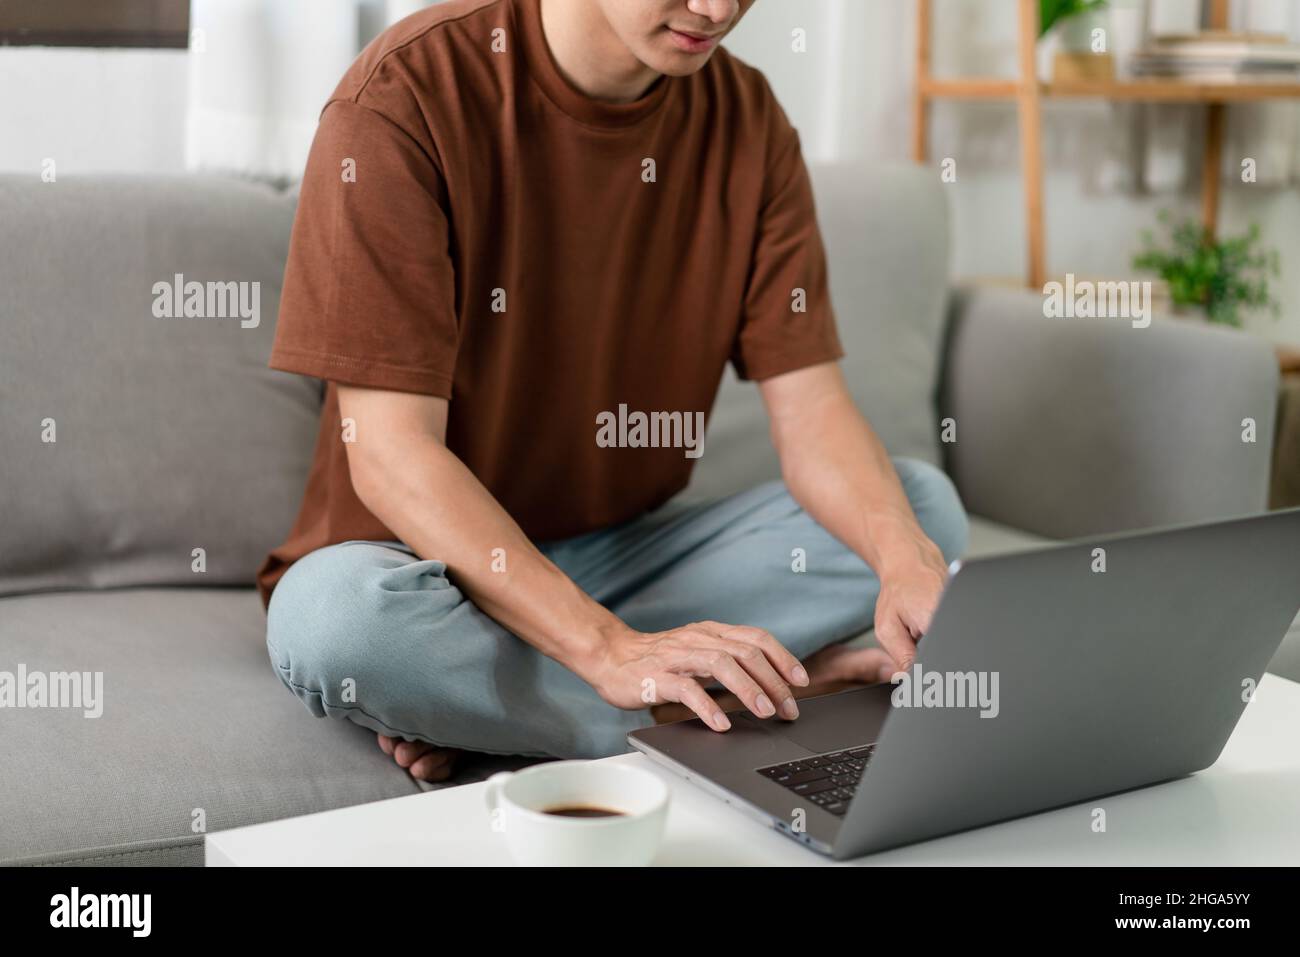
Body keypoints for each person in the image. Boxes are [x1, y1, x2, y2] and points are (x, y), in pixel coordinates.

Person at [259, 0, 969, 782]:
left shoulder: (750, 121)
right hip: (422, 573)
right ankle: (692, 706)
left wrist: (905, 564)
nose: (719, 9)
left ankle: (514, 709)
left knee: (920, 509)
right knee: (330, 622)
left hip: (624, 561)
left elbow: (814, 412)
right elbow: (390, 454)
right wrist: (607, 649)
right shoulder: (402, 99)